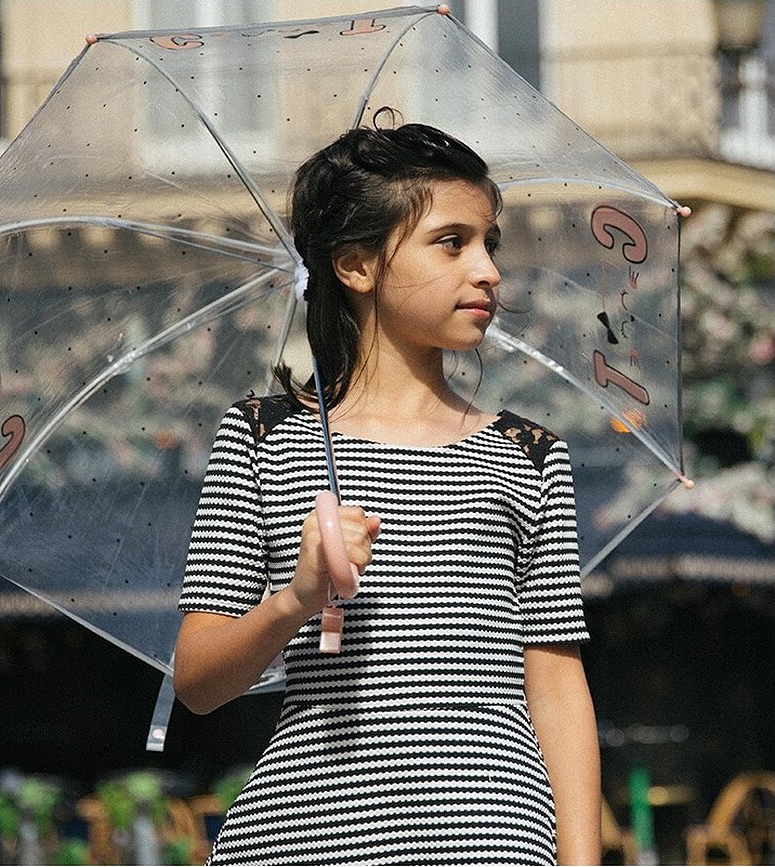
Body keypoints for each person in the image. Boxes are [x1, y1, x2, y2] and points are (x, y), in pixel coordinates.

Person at [174, 113, 601, 865]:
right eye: (452, 242)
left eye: (490, 243)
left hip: (492, 842)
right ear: (356, 266)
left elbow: (557, 688)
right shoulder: (263, 436)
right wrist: (298, 597)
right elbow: (198, 681)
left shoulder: (529, 454)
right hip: (302, 839)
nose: (488, 270)